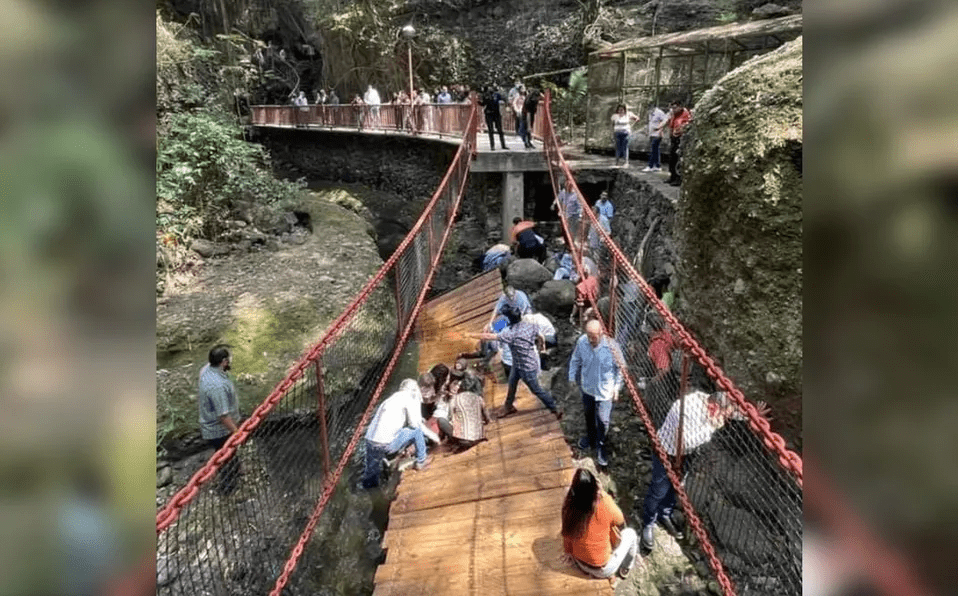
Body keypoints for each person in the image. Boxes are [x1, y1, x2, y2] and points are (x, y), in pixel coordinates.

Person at [640, 389, 771, 550]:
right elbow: (684, 442)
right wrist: (711, 427)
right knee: (658, 490)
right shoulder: (684, 410)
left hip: (687, 455)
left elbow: (731, 413)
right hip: (666, 452)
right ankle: (648, 523)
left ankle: (665, 513)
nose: (725, 419)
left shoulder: (714, 405)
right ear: (714, 408)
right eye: (723, 416)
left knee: (676, 486)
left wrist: (752, 416)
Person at [468, 305, 563, 420]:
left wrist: (470, 335)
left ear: (509, 319)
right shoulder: (530, 325)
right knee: (512, 382)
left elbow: (489, 336)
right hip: (520, 362)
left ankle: (555, 408)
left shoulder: (510, 333)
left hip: (526, 367)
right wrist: (542, 349)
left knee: (536, 389)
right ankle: (508, 406)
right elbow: (541, 336)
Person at [361, 374, 440, 489]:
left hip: (370, 441)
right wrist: (434, 437)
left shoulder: (392, 398)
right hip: (386, 444)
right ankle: (421, 461)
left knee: (370, 475)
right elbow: (415, 425)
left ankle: (370, 488)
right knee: (416, 431)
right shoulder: (410, 397)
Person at [561, 468, 638, 579]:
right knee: (631, 534)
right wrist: (604, 494)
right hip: (602, 569)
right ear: (595, 489)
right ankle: (625, 567)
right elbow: (620, 520)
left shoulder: (568, 505)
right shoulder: (604, 502)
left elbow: (566, 534)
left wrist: (568, 552)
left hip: (579, 561)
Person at [568, 320, 624, 467]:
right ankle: (591, 438)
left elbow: (621, 369)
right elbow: (575, 360)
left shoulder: (612, 347)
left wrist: (617, 388)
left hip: (605, 392)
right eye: (588, 335)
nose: (590, 340)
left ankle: (601, 446)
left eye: (593, 336)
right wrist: (572, 377)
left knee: (603, 421)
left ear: (601, 333)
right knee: (589, 415)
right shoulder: (582, 342)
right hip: (588, 388)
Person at [198, 344, 242, 495]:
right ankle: (227, 487)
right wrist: (237, 433)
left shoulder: (206, 370)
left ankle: (236, 469)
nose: (230, 361)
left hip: (212, 424)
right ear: (223, 362)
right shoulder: (218, 386)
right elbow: (223, 416)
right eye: (228, 359)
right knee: (225, 458)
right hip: (219, 430)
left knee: (229, 453)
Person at [447, 375, 490, 451]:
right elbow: (486, 418)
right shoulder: (479, 398)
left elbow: (450, 417)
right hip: (477, 437)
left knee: (455, 417)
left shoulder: (453, 400)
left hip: (461, 440)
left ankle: (457, 441)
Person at [663, 100, 692, 186]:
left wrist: (682, 129)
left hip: (681, 139)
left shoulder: (686, 114)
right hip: (673, 139)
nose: (673, 109)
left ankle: (678, 178)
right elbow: (670, 126)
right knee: (672, 158)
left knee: (678, 159)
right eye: (672, 108)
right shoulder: (673, 115)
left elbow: (688, 125)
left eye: (675, 107)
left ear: (680, 107)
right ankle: (672, 176)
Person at [553, 176, 582, 242]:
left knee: (572, 229)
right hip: (565, 214)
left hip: (573, 215)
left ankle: (572, 241)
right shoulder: (563, 192)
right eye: (566, 186)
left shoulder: (575, 195)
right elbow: (558, 198)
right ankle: (567, 241)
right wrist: (553, 204)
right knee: (565, 229)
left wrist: (579, 214)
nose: (567, 188)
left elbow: (579, 206)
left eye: (569, 186)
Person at [481, 85, 508, 150]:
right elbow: (483, 103)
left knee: (500, 130)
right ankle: (492, 146)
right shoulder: (485, 95)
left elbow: (503, 99)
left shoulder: (497, 94)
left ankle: (503, 145)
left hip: (496, 113)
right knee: (491, 130)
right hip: (489, 113)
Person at [643, 105, 668, 172]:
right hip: (651, 134)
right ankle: (657, 166)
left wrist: (659, 127)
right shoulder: (650, 113)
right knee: (655, 150)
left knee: (652, 150)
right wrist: (647, 131)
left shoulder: (659, 112)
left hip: (657, 134)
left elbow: (665, 120)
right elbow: (650, 122)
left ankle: (650, 166)